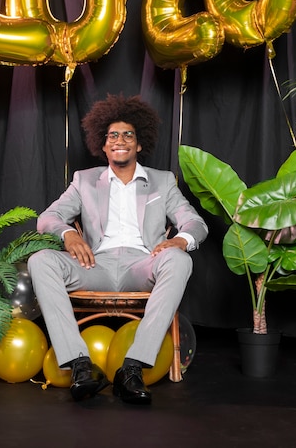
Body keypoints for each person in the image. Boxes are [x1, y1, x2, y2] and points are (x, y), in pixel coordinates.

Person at [28, 94, 208, 404]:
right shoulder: (84, 181)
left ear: (139, 144)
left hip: (143, 265)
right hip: (94, 266)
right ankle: (81, 366)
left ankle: (133, 367)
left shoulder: (162, 182)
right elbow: (48, 218)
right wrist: (69, 235)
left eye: (128, 134)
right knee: (41, 260)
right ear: (104, 143)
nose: (120, 140)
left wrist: (180, 241)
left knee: (179, 261)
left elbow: (195, 224)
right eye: (113, 135)